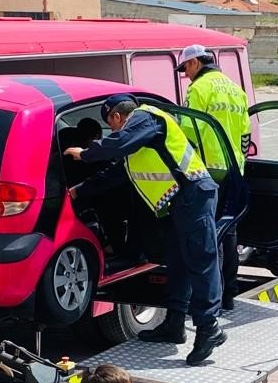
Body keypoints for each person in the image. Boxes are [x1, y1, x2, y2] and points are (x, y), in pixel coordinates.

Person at [65, 94, 226, 364]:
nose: (114, 130)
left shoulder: (146, 117)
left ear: (117, 116)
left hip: (194, 193)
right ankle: (174, 325)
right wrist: (78, 191)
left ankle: (209, 327)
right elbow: (115, 173)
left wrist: (86, 154)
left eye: (111, 124)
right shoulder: (138, 142)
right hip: (179, 203)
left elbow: (119, 142)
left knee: (201, 261)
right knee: (177, 262)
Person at [177, 44, 251, 310]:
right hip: (234, 170)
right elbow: (245, 135)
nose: (186, 75)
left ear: (196, 63)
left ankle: (210, 300)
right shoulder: (236, 90)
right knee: (229, 234)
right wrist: (237, 163)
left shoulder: (199, 89)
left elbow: (187, 129)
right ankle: (229, 295)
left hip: (208, 171)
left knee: (208, 235)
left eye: (185, 68)